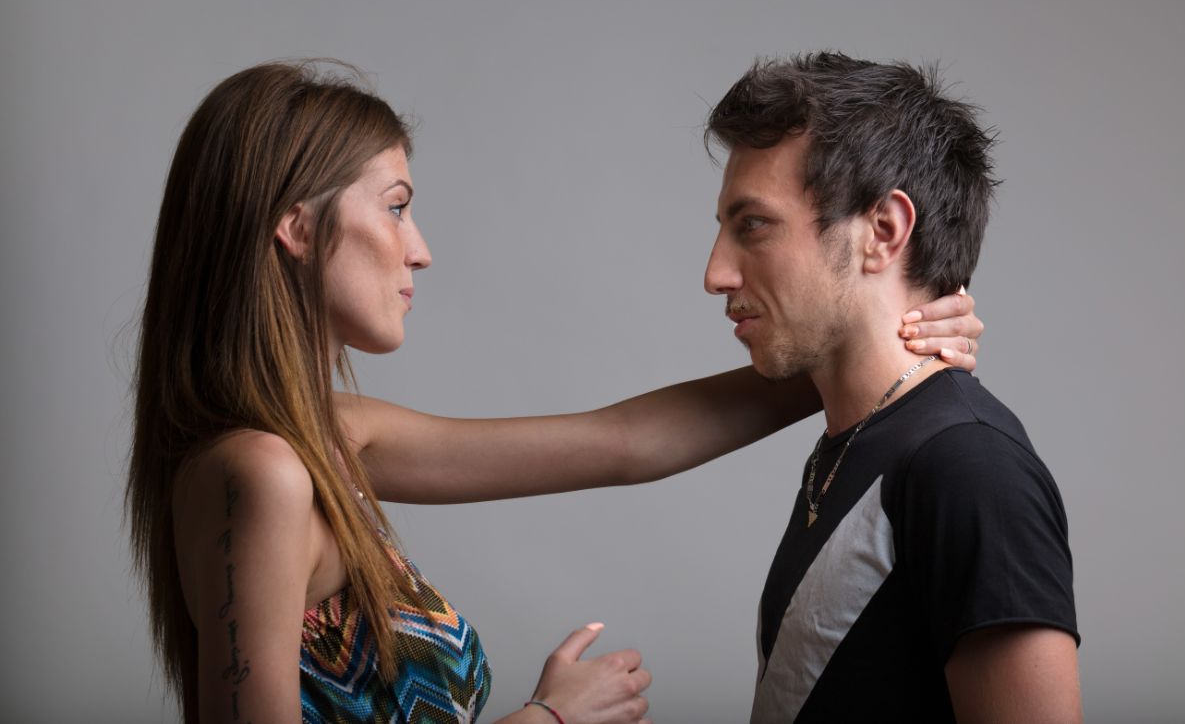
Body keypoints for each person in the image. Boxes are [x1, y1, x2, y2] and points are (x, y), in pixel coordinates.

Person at [125, 60, 983, 724]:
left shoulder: (332, 436)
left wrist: (872, 340)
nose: (419, 249)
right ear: (296, 225)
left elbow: (625, 442)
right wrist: (549, 716)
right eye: (395, 206)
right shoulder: (262, 473)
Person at [702, 52, 1081, 723]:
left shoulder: (970, 467)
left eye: (752, 224)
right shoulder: (856, 439)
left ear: (883, 231)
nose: (716, 274)